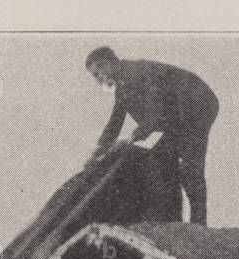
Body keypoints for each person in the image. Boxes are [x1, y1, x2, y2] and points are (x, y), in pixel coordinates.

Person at [85, 46, 219, 226]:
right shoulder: (123, 86)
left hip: (197, 106)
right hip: (177, 118)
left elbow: (155, 112)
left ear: (107, 64)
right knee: (158, 161)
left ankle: (199, 225)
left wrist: (131, 138)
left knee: (190, 168)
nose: (99, 80)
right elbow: (114, 124)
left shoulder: (137, 72)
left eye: (97, 74)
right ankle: (173, 222)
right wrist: (96, 153)